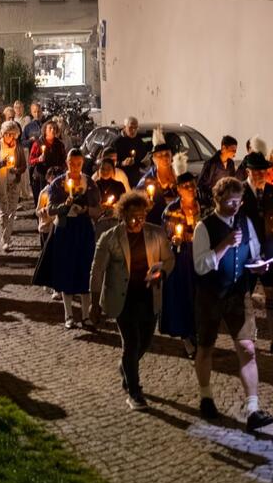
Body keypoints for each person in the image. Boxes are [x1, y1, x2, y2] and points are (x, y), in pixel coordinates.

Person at [193, 176, 273, 432]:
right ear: (218, 199)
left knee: (248, 347)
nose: (235, 206)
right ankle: (206, 396)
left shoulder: (245, 222)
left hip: (238, 294)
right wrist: (225, 245)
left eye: (238, 201)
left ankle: (252, 408)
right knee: (206, 347)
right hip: (211, 294)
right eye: (230, 201)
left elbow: (255, 252)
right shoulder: (204, 227)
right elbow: (200, 265)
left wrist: (260, 266)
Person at [93, 190, 175, 410]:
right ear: (122, 214)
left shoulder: (156, 234)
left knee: (145, 342)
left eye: (142, 216)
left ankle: (126, 369)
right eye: (133, 217)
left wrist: (161, 272)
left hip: (148, 296)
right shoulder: (109, 238)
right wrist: (94, 304)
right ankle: (135, 392)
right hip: (123, 298)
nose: (138, 221)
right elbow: (97, 270)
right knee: (131, 343)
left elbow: (168, 259)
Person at [32, 149, 100, 328]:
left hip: (83, 230)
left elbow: (97, 208)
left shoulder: (90, 183)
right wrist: (65, 205)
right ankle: (68, 315)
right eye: (72, 163)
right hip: (64, 229)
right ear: (67, 162)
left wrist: (86, 210)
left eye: (78, 164)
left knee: (85, 270)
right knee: (66, 270)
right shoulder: (57, 183)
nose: (75, 167)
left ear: (82, 163)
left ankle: (85, 315)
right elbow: (50, 208)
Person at [238, 151, 273, 355]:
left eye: (263, 171)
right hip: (246, 254)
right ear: (248, 171)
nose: (260, 174)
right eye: (256, 171)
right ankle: (246, 338)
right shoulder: (238, 192)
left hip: (270, 252)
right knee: (244, 297)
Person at [159, 163, 200, 358]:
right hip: (181, 258)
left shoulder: (203, 206)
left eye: (193, 185)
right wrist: (173, 238)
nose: (191, 189)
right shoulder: (171, 210)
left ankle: (196, 332)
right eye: (187, 186)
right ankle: (186, 339)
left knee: (198, 298)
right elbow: (166, 234)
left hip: (199, 256)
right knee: (183, 298)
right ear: (178, 189)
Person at [0, 120, 29, 251]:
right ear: (3, 134)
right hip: (0, 182)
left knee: (12, 211)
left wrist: (16, 170)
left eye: (12, 134)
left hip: (14, 181)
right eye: (7, 134)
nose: (9, 137)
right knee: (2, 211)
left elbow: (23, 165)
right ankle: (5, 239)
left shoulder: (18, 147)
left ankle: (7, 237)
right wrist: (1, 163)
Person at [138, 139, 178, 224]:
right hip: (157, 222)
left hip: (179, 222)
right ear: (154, 159)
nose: (165, 158)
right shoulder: (147, 180)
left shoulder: (179, 174)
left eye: (167, 154)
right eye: (160, 155)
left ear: (171, 156)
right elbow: (138, 204)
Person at [197, 134, 239, 208]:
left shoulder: (231, 164)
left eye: (235, 151)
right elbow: (201, 185)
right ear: (223, 148)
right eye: (233, 150)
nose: (234, 153)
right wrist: (213, 196)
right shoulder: (211, 164)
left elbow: (232, 181)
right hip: (213, 203)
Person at [28, 120, 66, 202]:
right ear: (45, 130)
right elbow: (30, 160)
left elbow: (63, 159)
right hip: (41, 175)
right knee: (42, 198)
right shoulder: (38, 144)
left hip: (55, 176)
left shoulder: (59, 144)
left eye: (54, 128)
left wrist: (61, 169)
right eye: (50, 128)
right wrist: (38, 159)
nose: (53, 130)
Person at [113, 116, 150, 186]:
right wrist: (122, 163)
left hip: (136, 180)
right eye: (130, 127)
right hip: (120, 180)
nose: (133, 130)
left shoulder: (139, 142)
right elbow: (111, 163)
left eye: (135, 128)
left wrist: (146, 163)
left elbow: (142, 160)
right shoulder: (117, 143)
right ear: (124, 127)